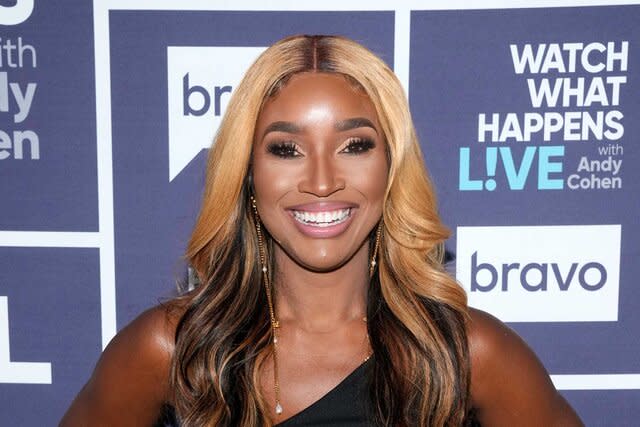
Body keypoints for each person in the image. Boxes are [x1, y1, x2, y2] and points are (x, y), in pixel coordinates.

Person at [60, 34, 583, 426]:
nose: (322, 181)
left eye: (355, 145)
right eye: (285, 149)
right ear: (246, 174)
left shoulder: (466, 353)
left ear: (391, 168)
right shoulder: (171, 348)